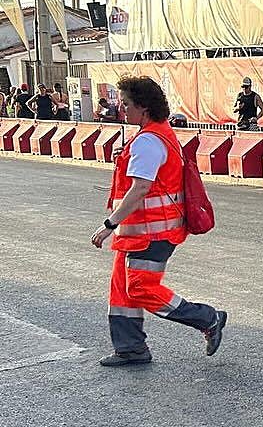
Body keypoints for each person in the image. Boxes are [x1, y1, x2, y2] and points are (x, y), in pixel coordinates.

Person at [90, 76, 227, 367]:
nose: (122, 109)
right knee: (122, 288)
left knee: (140, 288)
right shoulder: (153, 135)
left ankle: (208, 318)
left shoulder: (149, 141)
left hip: (152, 232)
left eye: (126, 104)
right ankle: (130, 348)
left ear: (144, 107)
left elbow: (140, 188)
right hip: (141, 231)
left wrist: (109, 224)